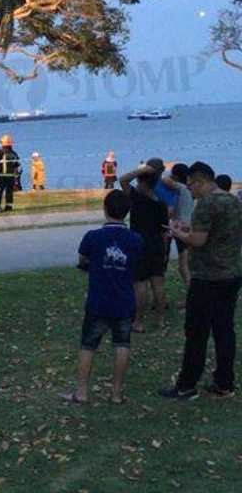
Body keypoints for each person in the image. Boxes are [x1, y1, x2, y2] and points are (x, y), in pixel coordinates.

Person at [160, 162, 242, 400]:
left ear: (199, 181)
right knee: (224, 329)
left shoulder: (206, 204)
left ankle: (187, 385)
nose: (190, 191)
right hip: (231, 274)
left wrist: (177, 232)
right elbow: (220, 231)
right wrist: (190, 227)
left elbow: (197, 241)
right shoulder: (232, 200)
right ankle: (224, 381)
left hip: (207, 277)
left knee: (196, 331)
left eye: (190, 186)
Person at [61, 190, 142, 405]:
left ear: (105, 210)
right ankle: (116, 393)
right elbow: (136, 263)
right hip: (125, 300)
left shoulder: (93, 237)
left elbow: (83, 259)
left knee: (88, 345)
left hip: (98, 300)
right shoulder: (135, 239)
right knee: (122, 344)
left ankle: (81, 391)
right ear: (127, 212)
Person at [119, 163, 169, 331]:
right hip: (157, 245)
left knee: (140, 284)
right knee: (158, 282)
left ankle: (139, 321)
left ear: (143, 184)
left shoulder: (137, 199)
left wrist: (142, 170)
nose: (137, 184)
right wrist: (164, 251)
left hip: (139, 244)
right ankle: (160, 319)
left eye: (139, 182)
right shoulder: (161, 205)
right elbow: (164, 232)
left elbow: (123, 180)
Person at [161, 163, 194, 291]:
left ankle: (191, 293)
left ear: (176, 176)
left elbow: (165, 180)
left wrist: (167, 175)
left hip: (180, 227)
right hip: (187, 226)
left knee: (183, 267)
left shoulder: (182, 188)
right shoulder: (190, 189)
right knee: (184, 264)